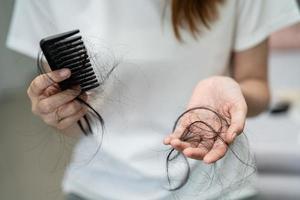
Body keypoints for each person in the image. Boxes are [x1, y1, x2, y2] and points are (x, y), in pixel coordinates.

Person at [7, 0, 300, 199]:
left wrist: (230, 89)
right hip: (99, 187)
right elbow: (75, 122)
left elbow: (257, 88)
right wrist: (58, 112)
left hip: (216, 188)